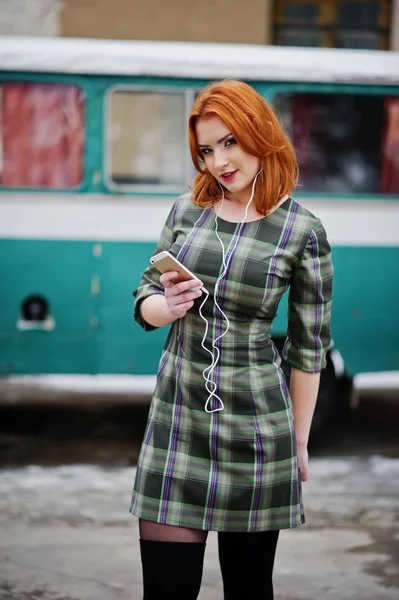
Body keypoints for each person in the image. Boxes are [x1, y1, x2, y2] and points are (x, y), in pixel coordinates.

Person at [130, 79, 333, 600]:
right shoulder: (186, 211)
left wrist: (301, 441)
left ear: (258, 135)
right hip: (177, 421)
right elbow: (144, 303)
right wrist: (165, 306)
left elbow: (309, 350)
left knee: (248, 589)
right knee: (166, 590)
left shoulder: (301, 231)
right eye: (205, 149)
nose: (218, 161)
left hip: (257, 431)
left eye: (229, 143)